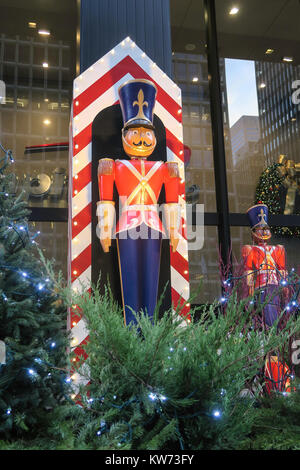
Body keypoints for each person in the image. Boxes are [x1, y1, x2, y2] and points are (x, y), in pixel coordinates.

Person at [97, 79, 180, 326]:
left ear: (154, 136)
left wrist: (174, 230)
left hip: (154, 226)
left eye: (147, 133)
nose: (142, 139)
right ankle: (132, 335)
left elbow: (172, 202)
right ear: (125, 134)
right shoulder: (113, 166)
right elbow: (106, 201)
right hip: (126, 226)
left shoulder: (165, 168)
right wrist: (104, 231)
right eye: (136, 132)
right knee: (130, 282)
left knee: (151, 282)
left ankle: (149, 334)